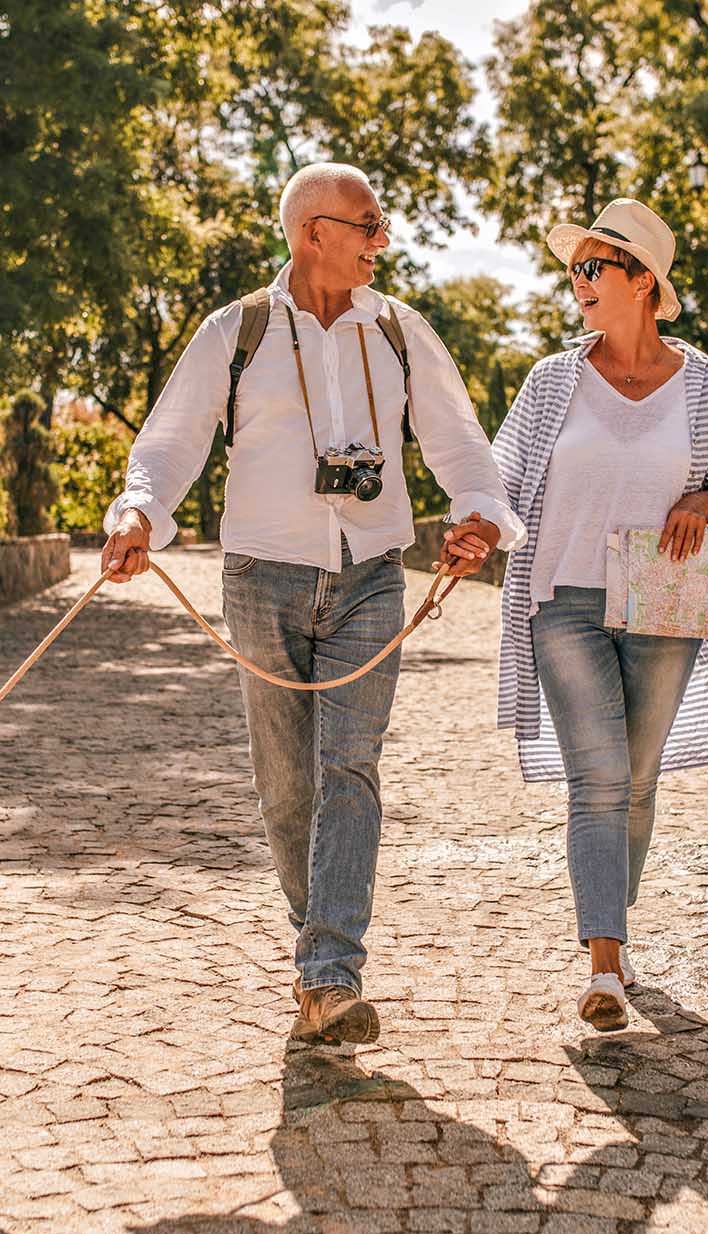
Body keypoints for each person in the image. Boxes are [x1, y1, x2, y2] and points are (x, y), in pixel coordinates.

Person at [101, 162, 525, 1047]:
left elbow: (458, 440)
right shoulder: (240, 331)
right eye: (367, 225)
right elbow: (172, 438)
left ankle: (332, 972)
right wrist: (139, 511)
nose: (381, 241)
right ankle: (316, 950)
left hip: (373, 572)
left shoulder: (403, 332)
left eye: (379, 224)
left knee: (350, 768)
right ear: (313, 233)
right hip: (263, 576)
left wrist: (479, 517)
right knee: (288, 789)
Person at [490, 198, 708, 1032]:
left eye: (594, 268)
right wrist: (470, 525)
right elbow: (500, 470)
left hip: (665, 598)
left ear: (644, 282)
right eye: (575, 269)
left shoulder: (706, 383)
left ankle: (614, 929)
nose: (579, 283)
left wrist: (707, 497)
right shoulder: (551, 379)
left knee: (634, 780)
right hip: (563, 597)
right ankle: (603, 964)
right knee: (598, 780)